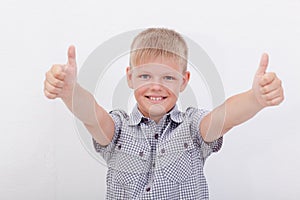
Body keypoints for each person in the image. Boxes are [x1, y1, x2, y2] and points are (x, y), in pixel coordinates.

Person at [44, 28, 284, 199]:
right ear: (130, 78)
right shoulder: (117, 129)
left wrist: (255, 99)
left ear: (184, 80)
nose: (156, 86)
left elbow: (226, 117)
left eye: (168, 77)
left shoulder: (192, 127)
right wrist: (70, 91)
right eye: (145, 76)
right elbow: (91, 115)